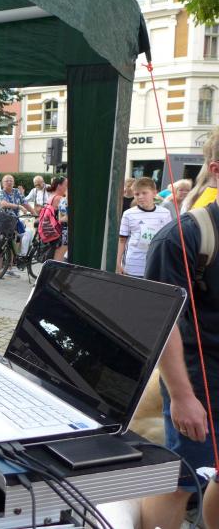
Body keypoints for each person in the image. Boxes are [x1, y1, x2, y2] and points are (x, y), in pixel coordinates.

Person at [142, 128, 219, 529]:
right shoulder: (183, 236)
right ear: (216, 170)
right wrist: (183, 397)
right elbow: (161, 321)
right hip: (203, 387)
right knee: (181, 481)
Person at [116, 177, 171, 278]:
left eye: (144, 193)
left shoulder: (165, 213)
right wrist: (118, 262)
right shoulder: (128, 214)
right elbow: (122, 240)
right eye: (137, 194)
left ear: (154, 193)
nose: (140, 197)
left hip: (155, 263)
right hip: (133, 265)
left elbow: (167, 240)